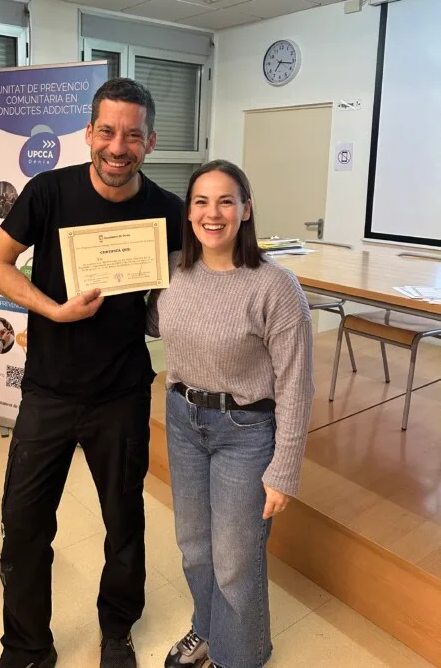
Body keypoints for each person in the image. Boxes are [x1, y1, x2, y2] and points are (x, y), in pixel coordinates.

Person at [0, 78, 183, 668]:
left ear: (150, 141)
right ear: (89, 133)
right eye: (107, 131)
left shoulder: (168, 210)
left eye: (132, 135)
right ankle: (26, 647)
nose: (118, 146)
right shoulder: (48, 191)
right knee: (21, 526)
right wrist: (54, 309)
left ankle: (116, 631)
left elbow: (199, 281)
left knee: (124, 524)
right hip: (46, 390)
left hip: (120, 393)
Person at [147, 160, 314, 668]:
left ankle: (239, 656)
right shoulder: (172, 272)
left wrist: (284, 468)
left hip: (245, 431)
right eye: (201, 201)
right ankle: (206, 628)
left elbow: (296, 385)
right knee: (194, 547)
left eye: (225, 201)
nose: (212, 213)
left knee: (235, 559)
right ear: (188, 211)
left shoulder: (275, 287)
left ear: (246, 210)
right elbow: (155, 324)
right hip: (182, 419)